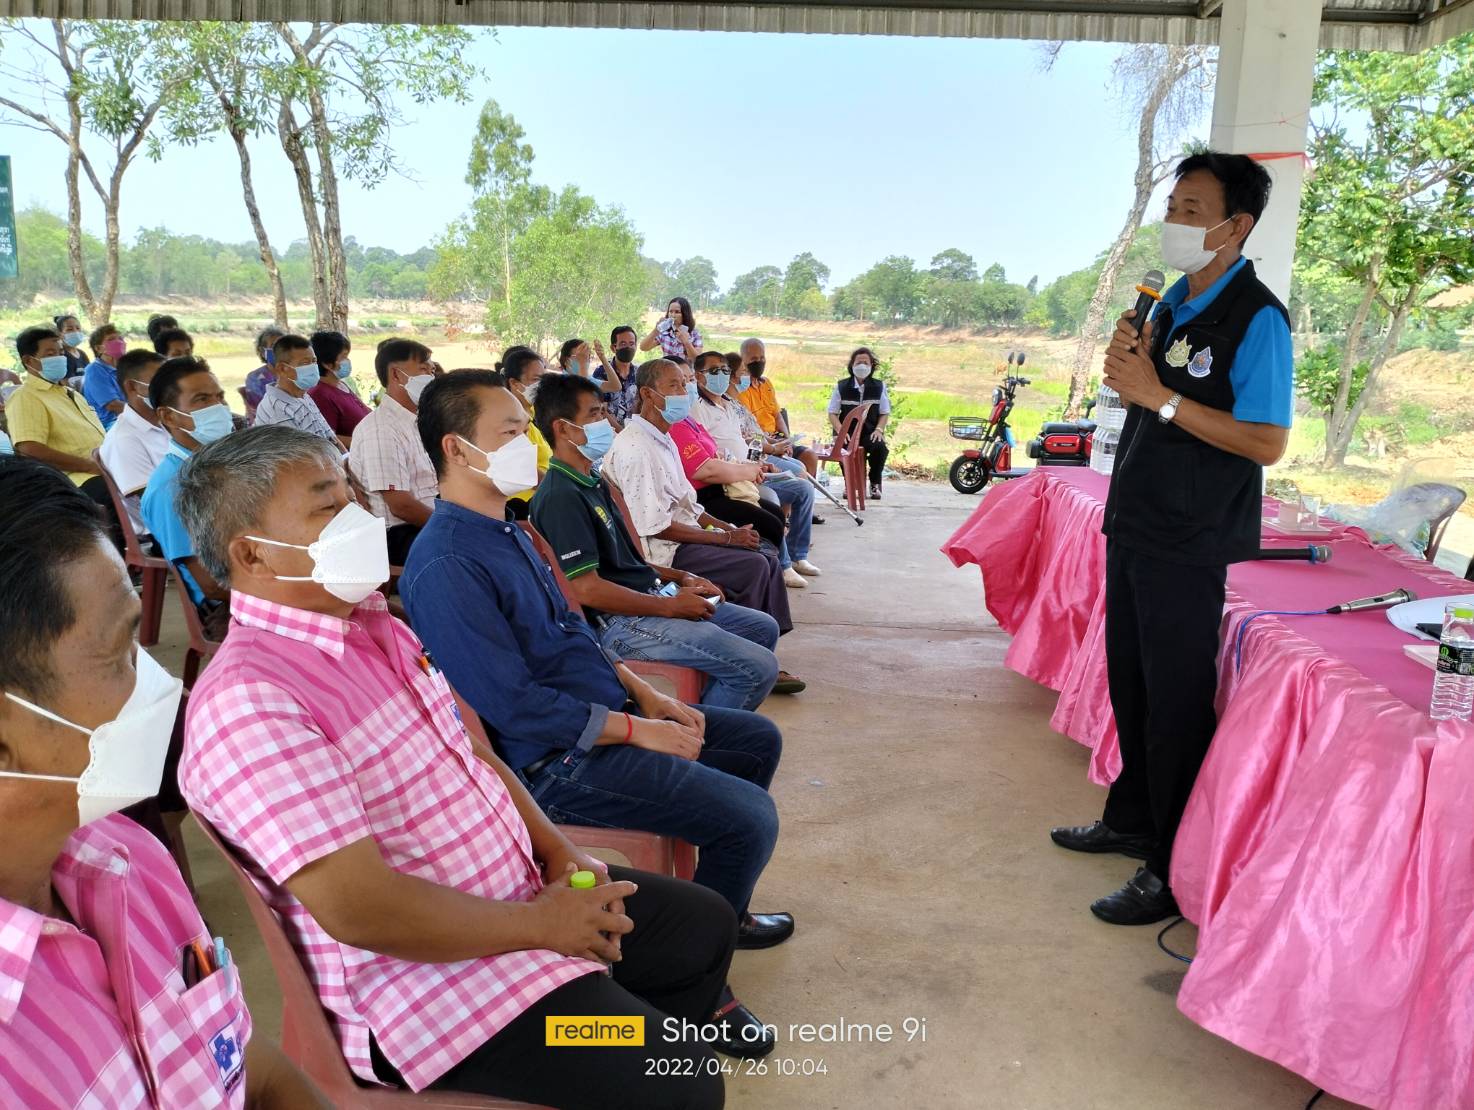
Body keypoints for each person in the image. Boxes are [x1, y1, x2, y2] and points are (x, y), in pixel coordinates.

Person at [176, 425, 740, 1108]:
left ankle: (606, 1025)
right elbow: (360, 909)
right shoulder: (253, 703)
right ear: (253, 555)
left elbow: (474, 756)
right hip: (434, 988)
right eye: (329, 505)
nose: (360, 514)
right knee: (676, 1077)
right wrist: (546, 928)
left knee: (701, 929)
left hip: (521, 896)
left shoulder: (378, 627)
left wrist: (564, 860)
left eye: (352, 491)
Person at [404, 371, 792, 1005]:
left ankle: (723, 914)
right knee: (750, 819)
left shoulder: (513, 530)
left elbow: (573, 633)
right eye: (510, 432)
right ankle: (697, 984)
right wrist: (643, 733)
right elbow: (515, 707)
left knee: (755, 741)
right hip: (556, 759)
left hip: (603, 714)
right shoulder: (449, 562)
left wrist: (647, 693)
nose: (527, 444)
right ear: (456, 448)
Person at [0, 454, 324, 1109]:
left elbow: (244, 1065)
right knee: (593, 1045)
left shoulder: (127, 860)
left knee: (595, 1032)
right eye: (120, 653)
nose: (160, 684)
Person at [1051, 152, 1294, 926]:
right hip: (1137, 519)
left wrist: (1159, 398)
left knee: (1178, 703)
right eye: (1174, 206)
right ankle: (1132, 816)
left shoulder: (1256, 317)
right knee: (1132, 683)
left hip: (1190, 538)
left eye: (1193, 210)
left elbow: (1266, 441)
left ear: (1236, 225)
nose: (1176, 223)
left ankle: (1170, 867)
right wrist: (1134, 373)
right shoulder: (1170, 304)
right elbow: (1146, 399)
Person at [531, 372, 802, 706]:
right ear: (562, 429)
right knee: (758, 667)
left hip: (649, 595)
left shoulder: (594, 482)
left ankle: (705, 709)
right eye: (594, 415)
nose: (605, 422)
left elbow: (631, 563)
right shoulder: (562, 495)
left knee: (763, 628)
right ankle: (696, 737)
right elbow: (586, 589)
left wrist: (684, 577)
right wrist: (669, 607)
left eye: (604, 412)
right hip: (619, 622)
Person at [604, 359, 793, 635]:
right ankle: (741, 646)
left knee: (766, 555)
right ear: (647, 394)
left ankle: (765, 645)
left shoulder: (664, 438)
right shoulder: (636, 447)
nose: (683, 392)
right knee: (753, 567)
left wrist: (729, 529)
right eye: (673, 385)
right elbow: (658, 527)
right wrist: (724, 539)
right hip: (663, 551)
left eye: (684, 384)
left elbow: (688, 505)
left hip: (684, 534)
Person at [670, 360, 807, 590]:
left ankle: (775, 571)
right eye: (678, 384)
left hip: (725, 484)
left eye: (687, 382)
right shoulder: (681, 422)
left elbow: (721, 453)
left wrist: (755, 465)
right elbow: (704, 470)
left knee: (774, 513)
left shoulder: (694, 420)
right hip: (704, 495)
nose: (686, 389)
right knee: (769, 523)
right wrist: (749, 470)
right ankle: (767, 574)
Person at [141, 357, 235, 638]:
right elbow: (212, 585)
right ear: (169, 416)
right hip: (229, 606)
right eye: (202, 400)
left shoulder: (221, 464)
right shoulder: (171, 488)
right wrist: (288, 592)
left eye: (220, 397)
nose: (218, 408)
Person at [349, 338, 438, 565]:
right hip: (399, 534)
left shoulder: (415, 421)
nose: (431, 377)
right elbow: (400, 505)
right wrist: (448, 526)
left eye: (431, 370)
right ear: (397, 375)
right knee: (480, 550)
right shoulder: (382, 430)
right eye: (423, 370)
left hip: (427, 519)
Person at [6, 326, 109, 511]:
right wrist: (88, 466)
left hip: (104, 470)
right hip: (74, 480)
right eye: (50, 353)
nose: (60, 358)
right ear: (29, 360)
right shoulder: (26, 396)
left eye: (61, 352)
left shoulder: (70, 393)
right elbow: (30, 450)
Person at [98, 348, 169, 537]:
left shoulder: (167, 423)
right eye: (160, 382)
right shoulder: (124, 439)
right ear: (132, 387)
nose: (171, 389)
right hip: (163, 532)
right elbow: (156, 504)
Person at [735, 338, 818, 478]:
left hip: (776, 438)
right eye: (754, 358)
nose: (759, 362)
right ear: (743, 360)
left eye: (762, 358)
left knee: (810, 456)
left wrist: (786, 440)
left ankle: (807, 494)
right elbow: (750, 429)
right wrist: (774, 446)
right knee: (799, 471)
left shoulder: (766, 383)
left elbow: (778, 415)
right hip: (760, 442)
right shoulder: (740, 390)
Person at [254, 334, 343, 447]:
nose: (313, 367)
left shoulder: (303, 395)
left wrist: (347, 460)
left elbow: (331, 436)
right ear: (282, 369)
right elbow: (302, 460)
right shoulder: (277, 411)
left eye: (314, 361)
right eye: (305, 363)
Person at [495, 345, 553, 514]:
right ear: (514, 383)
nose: (541, 385)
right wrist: (559, 489)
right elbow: (520, 466)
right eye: (535, 380)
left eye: (543, 379)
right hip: (524, 504)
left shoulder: (533, 412)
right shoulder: (507, 418)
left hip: (544, 496)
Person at [828, 346, 892, 500]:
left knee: (880, 448)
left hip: (869, 431)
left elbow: (884, 412)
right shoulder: (842, 386)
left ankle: (875, 483)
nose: (862, 366)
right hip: (848, 432)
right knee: (842, 449)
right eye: (858, 362)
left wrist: (879, 430)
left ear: (871, 366)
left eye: (865, 362)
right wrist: (840, 432)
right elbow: (832, 413)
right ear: (852, 365)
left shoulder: (879, 386)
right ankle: (850, 484)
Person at [307, 330, 372, 441]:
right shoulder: (320, 394)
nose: (348, 361)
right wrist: (363, 443)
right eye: (344, 357)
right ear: (327, 364)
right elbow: (329, 438)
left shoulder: (341, 384)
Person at [81, 323, 129, 429]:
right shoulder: (94, 370)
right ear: (98, 348)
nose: (119, 342)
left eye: (120, 338)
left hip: (126, 417)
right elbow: (113, 405)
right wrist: (142, 414)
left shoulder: (125, 368)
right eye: (112, 339)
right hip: (109, 424)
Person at [597, 324, 641, 427]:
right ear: (613, 348)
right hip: (611, 432)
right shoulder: (602, 373)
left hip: (634, 431)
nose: (628, 347)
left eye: (631, 343)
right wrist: (622, 433)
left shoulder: (640, 373)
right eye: (623, 344)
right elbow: (601, 411)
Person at [242, 326, 286, 416]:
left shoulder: (294, 373)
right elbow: (259, 409)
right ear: (262, 351)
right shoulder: (255, 378)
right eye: (274, 346)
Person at [53, 312, 89, 377]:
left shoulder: (82, 354)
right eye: (69, 329)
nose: (75, 332)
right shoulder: (60, 356)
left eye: (78, 328)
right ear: (60, 333)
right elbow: (65, 383)